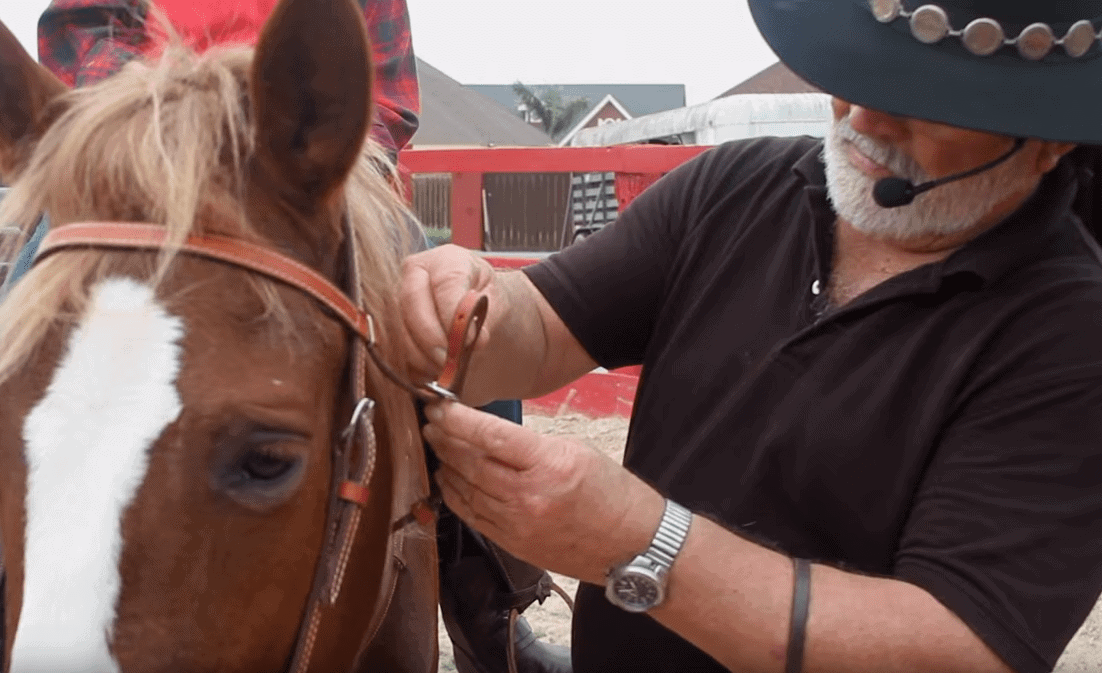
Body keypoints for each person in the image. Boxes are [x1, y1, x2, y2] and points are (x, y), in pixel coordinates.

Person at [402, 1, 1102, 672]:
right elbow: (543, 325)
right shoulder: (738, 186)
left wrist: (641, 541)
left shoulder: (1070, 334)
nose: (862, 117)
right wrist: (466, 312)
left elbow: (955, 648)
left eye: (924, 103)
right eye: (855, 74)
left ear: (1048, 141)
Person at [0, 2, 568, 672]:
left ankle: (490, 603)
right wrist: (165, 123)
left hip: (305, 167)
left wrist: (302, 149)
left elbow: (383, 88)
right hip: (134, 161)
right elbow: (81, 33)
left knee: (457, 326)